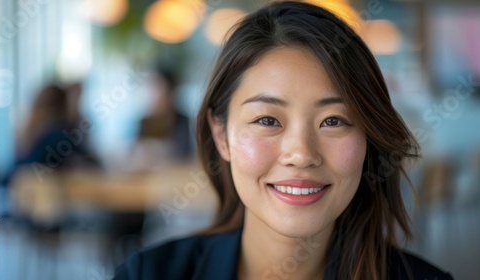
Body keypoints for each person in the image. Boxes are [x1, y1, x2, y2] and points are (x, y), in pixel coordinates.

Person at [114, 2, 453, 279]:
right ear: (221, 135)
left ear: (369, 137)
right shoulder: (147, 274)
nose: (302, 154)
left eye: (333, 121)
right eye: (267, 120)